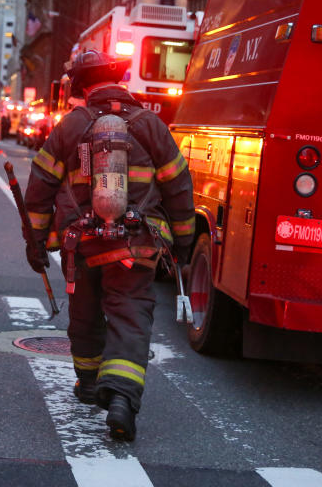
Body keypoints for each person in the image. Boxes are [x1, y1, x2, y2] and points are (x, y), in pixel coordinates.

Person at [24, 50, 195, 442]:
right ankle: (120, 398)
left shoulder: (70, 126)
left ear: (82, 86)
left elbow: (39, 189)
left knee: (84, 314)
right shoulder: (152, 124)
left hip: (81, 244)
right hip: (137, 246)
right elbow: (179, 187)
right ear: (121, 80)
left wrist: (34, 241)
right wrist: (183, 242)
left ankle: (87, 384)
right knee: (130, 315)